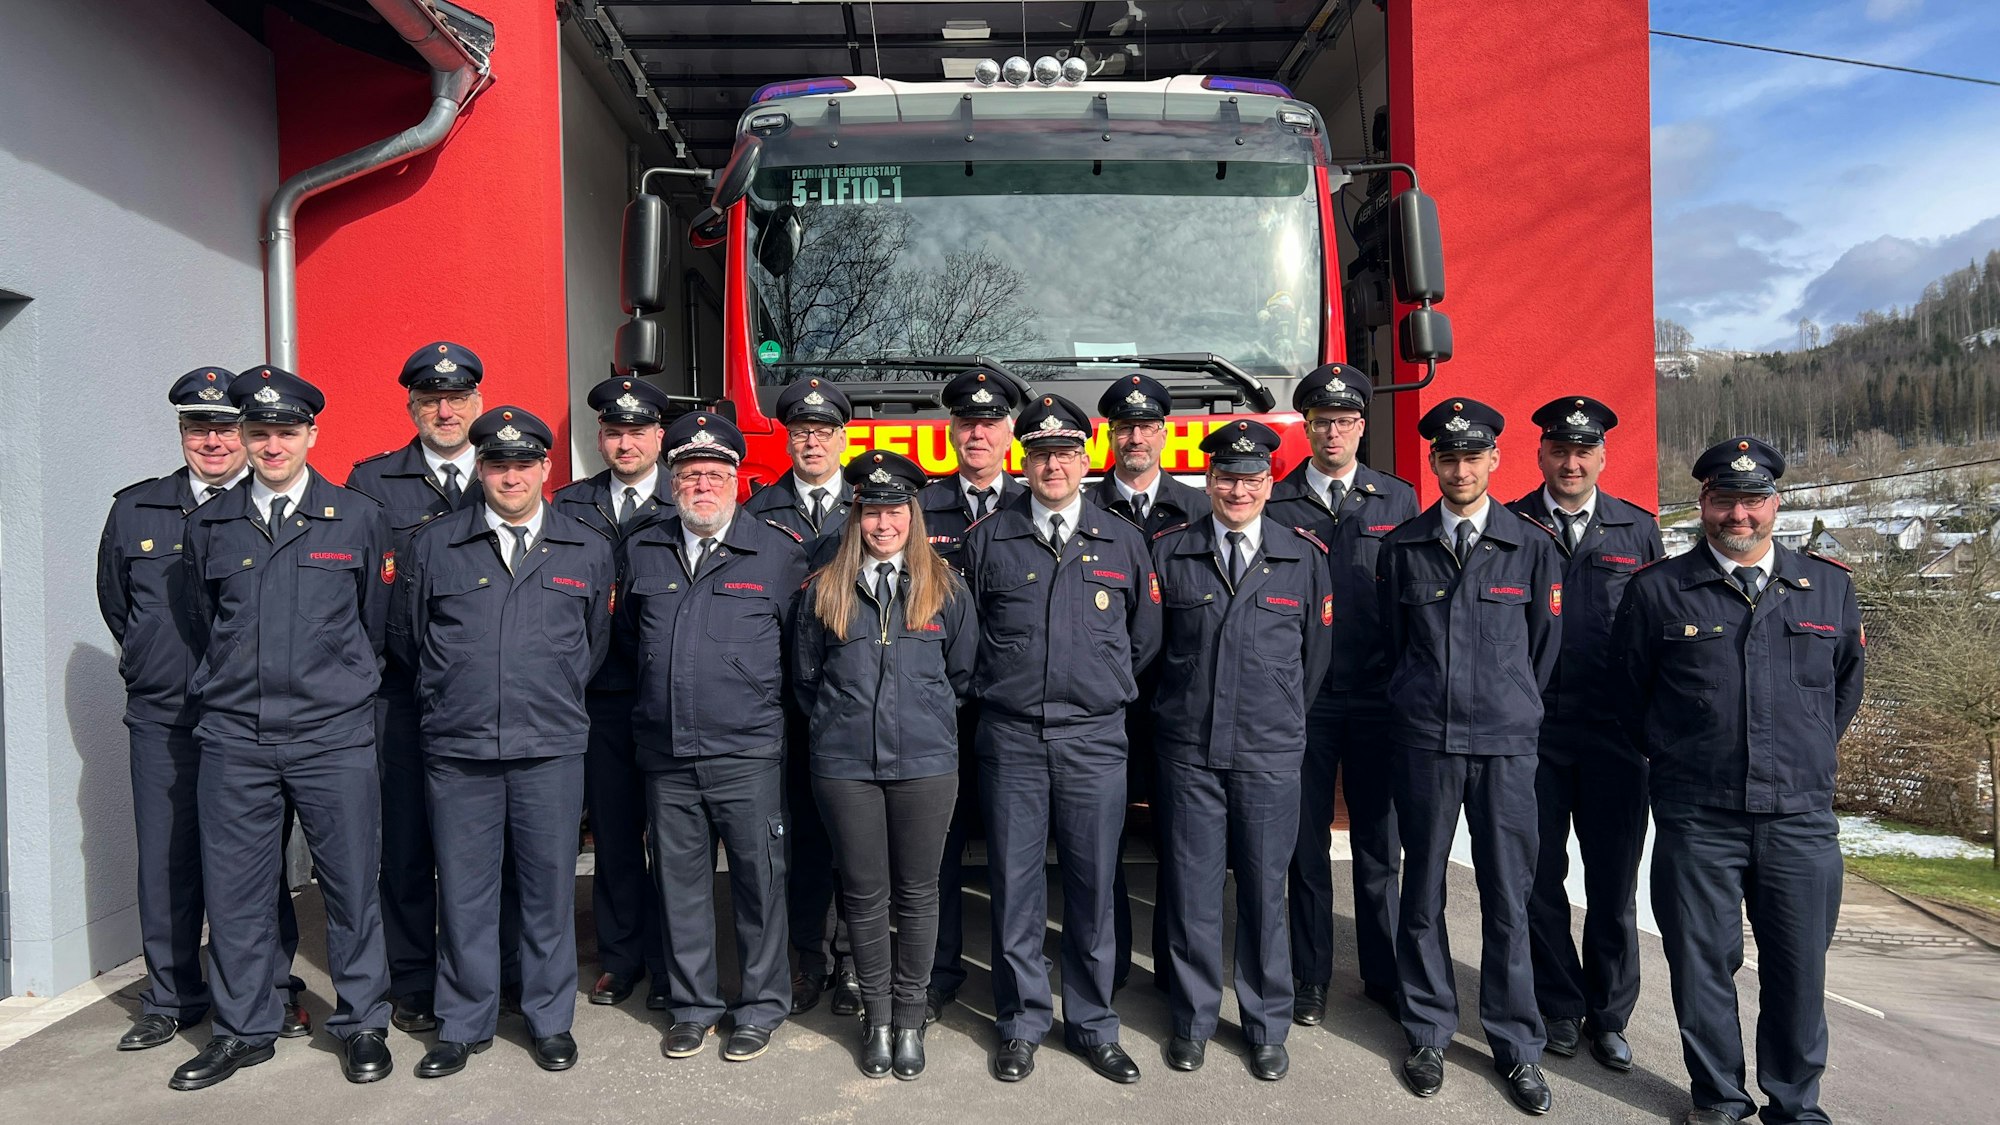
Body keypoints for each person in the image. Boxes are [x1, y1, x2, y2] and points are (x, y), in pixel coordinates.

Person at [1612, 437, 1862, 1125]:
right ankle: (1720, 1096)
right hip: (1698, 815)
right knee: (1702, 966)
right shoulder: (1657, 591)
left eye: (1753, 500)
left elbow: (1841, 694)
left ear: (1775, 504)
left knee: (1797, 968)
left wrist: (1800, 755)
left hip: (1800, 818)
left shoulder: (1831, 587)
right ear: (1704, 504)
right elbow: (1630, 698)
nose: (1739, 515)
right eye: (1725, 499)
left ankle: (1794, 1102)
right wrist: (1682, 760)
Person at [174, 366, 394, 1090]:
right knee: (235, 890)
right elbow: (199, 624)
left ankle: (362, 1019)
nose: (272, 444)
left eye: (286, 431)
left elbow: (375, 624)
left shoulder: (356, 517)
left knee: (350, 884)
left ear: (312, 434)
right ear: (241, 436)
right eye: (259, 431)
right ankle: (246, 1027)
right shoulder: (208, 523)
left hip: (331, 733)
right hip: (237, 736)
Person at [392, 407, 613, 1077]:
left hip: (549, 746)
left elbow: (593, 647)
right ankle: (464, 1020)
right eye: (496, 463)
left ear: (547, 467)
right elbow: (409, 639)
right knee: (463, 890)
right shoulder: (435, 545)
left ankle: (549, 1019)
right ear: (480, 467)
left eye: (524, 463)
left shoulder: (586, 545)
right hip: (459, 748)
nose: (510, 475)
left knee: (548, 887)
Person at [96, 367, 308, 1052]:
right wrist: (155, 663)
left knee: (253, 861)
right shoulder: (136, 509)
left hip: (249, 715)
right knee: (166, 857)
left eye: (224, 425)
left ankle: (269, 989)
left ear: (248, 431)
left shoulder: (274, 506)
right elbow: (119, 606)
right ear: (182, 431)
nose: (212, 439)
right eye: (197, 425)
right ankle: (172, 994)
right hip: (167, 717)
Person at [962, 393, 1162, 1085]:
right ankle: (1020, 1023)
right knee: (1015, 889)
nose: (1054, 465)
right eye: (1041, 454)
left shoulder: (1123, 541)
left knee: (1093, 886)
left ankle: (1092, 1022)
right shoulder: (989, 538)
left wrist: (1094, 686)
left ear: (1086, 460)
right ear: (1025, 460)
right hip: (1012, 738)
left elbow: (1144, 640)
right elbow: (969, 642)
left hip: (1094, 739)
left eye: (1066, 453)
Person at [1376, 398, 1562, 1115]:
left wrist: (1510, 700)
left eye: (1472, 456)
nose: (1459, 468)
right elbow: (1398, 647)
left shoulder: (1531, 544)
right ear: (1435, 464)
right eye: (1447, 457)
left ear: (1494, 461)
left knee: (1509, 896)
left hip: (1507, 746)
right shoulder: (1405, 546)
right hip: (1426, 740)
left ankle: (1517, 1043)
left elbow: (1542, 649)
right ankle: (1427, 1029)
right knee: (1420, 889)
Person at [617, 411, 809, 1063]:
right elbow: (626, 643)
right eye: (690, 472)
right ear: (672, 480)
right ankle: (693, 1004)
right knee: (680, 885)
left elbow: (798, 655)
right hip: (667, 755)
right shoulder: (643, 546)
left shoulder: (778, 551)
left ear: (737, 478)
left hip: (748, 754)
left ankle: (760, 1005)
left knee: (759, 882)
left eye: (715, 472)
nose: (703, 483)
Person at [1149, 420, 1332, 1082]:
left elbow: (1314, 662)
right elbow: (1150, 655)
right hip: (1189, 752)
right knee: (1194, 891)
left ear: (1269, 483)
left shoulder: (1302, 556)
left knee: (1264, 891)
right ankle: (1194, 1019)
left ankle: (1265, 1024)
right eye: (1225, 477)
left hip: (1268, 752)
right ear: (1209, 480)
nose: (1237, 489)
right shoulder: (1171, 552)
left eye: (1251, 478)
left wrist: (1278, 719)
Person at [792, 450, 977, 1080]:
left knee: (920, 896)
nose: (883, 523)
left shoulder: (945, 588)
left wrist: (917, 719)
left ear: (912, 515)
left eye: (895, 509)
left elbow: (962, 674)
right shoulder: (824, 591)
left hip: (926, 764)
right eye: (871, 511)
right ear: (856, 518)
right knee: (864, 897)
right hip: (845, 767)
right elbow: (806, 680)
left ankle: (910, 1016)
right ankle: (876, 1017)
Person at [1507, 396, 1662, 1071]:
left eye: (1583, 451)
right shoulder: (1511, 523)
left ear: (1601, 457)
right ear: (1540, 454)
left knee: (1613, 883)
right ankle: (1559, 1004)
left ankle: (1609, 1013)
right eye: (1559, 450)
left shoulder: (1638, 529)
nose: (1571, 462)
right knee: (1537, 879)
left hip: (1614, 736)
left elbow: (1657, 635)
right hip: (1533, 732)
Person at [1266, 362, 1418, 1026]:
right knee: (1305, 847)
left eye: (1346, 420)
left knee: (1379, 845)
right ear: (1308, 425)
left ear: (1362, 425)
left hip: (1379, 696)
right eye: (1322, 420)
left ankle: (1382, 972)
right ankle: (1311, 975)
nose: (1333, 430)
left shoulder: (1399, 500)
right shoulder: (1276, 502)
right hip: (1306, 698)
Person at [343, 341, 486, 1033]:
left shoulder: (505, 471)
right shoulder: (372, 483)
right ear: (411, 406)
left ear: (477, 403)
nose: (445, 409)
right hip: (399, 695)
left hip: (479, 697)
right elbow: (359, 596)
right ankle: (411, 978)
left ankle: (486, 972)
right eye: (430, 398)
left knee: (478, 847)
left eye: (457, 397)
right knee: (402, 846)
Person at [551, 376, 673, 1011]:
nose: (626, 443)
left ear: (660, 436)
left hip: (673, 696)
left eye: (638, 431)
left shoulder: (691, 499)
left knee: (678, 838)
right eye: (614, 432)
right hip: (601, 694)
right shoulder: (569, 506)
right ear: (600, 437)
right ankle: (622, 956)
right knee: (618, 834)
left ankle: (674, 959)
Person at [744, 376, 859, 1017]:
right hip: (783, 707)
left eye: (824, 431)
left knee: (854, 843)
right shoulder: (760, 512)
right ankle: (807, 961)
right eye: (802, 432)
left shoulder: (869, 509)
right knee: (799, 843)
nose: (812, 441)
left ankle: (850, 963)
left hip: (847, 704)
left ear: (844, 438)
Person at [1089, 374, 1203, 992]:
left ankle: (1172, 964)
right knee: (1100, 839)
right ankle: (1109, 961)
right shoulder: (1084, 507)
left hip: (1179, 700)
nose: (1136, 437)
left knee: (1179, 838)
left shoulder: (1200, 508)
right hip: (1108, 704)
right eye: (1125, 427)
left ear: (1165, 433)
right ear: (1111, 435)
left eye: (1147, 426)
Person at [919, 365, 1023, 1024]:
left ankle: (1020, 985)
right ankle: (938, 970)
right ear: (951, 430)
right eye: (967, 421)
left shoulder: (1032, 505)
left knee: (1019, 855)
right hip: (943, 711)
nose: (978, 431)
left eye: (990, 421)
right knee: (939, 850)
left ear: (1011, 431)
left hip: (1013, 711)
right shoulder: (918, 508)